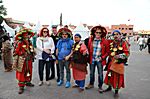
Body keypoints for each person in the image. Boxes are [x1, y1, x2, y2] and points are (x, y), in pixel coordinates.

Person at [104, 30, 129, 98]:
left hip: (118, 63)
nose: (115, 36)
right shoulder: (112, 42)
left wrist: (119, 56)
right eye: (114, 34)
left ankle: (116, 91)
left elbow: (127, 53)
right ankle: (109, 87)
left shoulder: (124, 42)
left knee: (117, 77)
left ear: (120, 35)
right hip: (111, 63)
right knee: (109, 75)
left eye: (117, 34)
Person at [85, 25, 109, 93]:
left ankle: (100, 86)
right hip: (92, 59)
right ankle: (91, 84)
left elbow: (107, 52)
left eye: (100, 33)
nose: (98, 34)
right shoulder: (91, 40)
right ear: (94, 33)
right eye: (97, 32)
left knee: (100, 74)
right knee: (91, 73)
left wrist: (103, 57)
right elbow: (89, 49)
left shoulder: (105, 41)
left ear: (102, 34)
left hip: (99, 60)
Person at [12, 27, 35, 94]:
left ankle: (28, 82)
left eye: (28, 34)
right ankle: (21, 86)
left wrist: (32, 52)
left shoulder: (30, 42)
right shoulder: (20, 42)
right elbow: (16, 52)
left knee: (29, 71)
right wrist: (22, 53)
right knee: (21, 73)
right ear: (22, 35)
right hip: (22, 60)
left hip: (29, 60)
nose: (27, 35)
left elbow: (31, 49)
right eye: (25, 34)